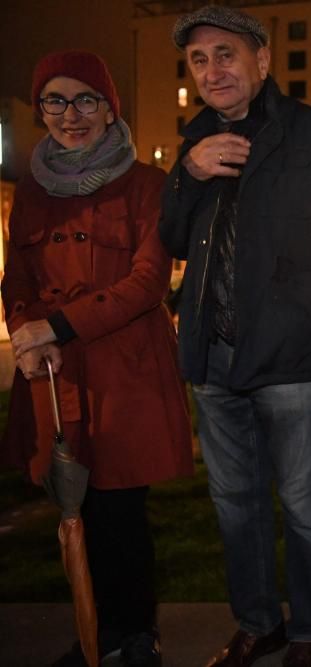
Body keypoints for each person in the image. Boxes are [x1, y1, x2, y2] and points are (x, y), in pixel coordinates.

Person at [159, 7, 311, 667]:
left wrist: (299, 304)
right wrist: (187, 174)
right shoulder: (196, 138)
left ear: (261, 59)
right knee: (235, 506)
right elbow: (171, 239)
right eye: (198, 61)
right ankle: (258, 622)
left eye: (225, 54)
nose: (212, 71)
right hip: (213, 358)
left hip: (292, 359)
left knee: (307, 504)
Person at [0, 50, 193, 667]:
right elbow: (16, 281)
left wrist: (54, 325)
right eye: (55, 100)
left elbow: (146, 284)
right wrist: (26, 334)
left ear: (110, 109)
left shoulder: (146, 185)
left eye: (86, 99)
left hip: (123, 368)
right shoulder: (29, 193)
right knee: (71, 504)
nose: (70, 114)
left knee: (120, 509)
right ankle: (96, 627)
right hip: (56, 373)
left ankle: (136, 633)